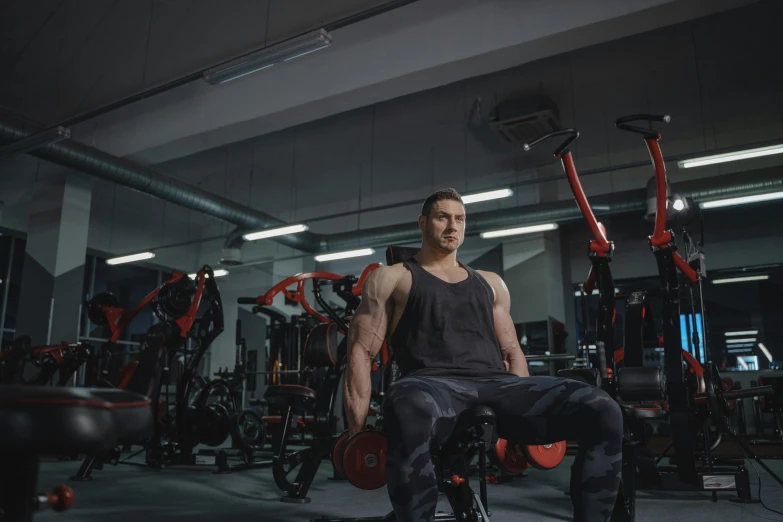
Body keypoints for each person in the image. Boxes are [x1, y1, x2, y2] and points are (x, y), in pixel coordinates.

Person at [344, 188, 623, 522]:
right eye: (442, 217)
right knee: (408, 407)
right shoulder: (393, 278)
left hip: (497, 385)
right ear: (423, 222)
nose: (452, 226)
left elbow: (511, 352)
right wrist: (356, 435)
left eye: (459, 219)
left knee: (602, 407)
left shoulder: (491, 283)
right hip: (431, 387)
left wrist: (523, 414)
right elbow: (360, 353)